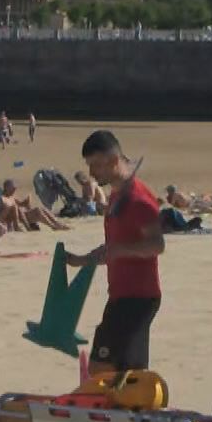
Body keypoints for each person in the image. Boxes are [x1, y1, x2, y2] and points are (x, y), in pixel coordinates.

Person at [65, 131, 165, 374]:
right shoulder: (117, 196)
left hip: (138, 297)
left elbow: (156, 245)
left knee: (101, 368)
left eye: (95, 165)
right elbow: (112, 249)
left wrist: (121, 250)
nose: (91, 173)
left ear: (113, 160)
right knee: (130, 375)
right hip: (122, 295)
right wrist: (81, 260)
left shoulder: (138, 198)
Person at [0, 178, 69, 231]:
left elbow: (21, 204)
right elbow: (4, 213)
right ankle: (53, 226)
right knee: (38, 210)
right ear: (7, 188)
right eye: (13, 188)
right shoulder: (2, 198)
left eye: (15, 188)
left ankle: (57, 223)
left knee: (42, 208)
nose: (14, 190)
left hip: (24, 214)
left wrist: (26, 201)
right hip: (22, 218)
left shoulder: (11, 196)